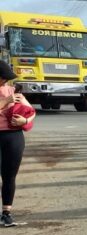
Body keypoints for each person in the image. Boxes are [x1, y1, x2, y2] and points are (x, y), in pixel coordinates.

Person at [0, 60, 35, 226]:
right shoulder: (9, 95)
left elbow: (31, 111)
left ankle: (6, 212)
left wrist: (25, 119)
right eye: (3, 77)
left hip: (13, 136)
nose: (5, 81)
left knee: (9, 175)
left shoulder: (13, 90)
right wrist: (6, 101)